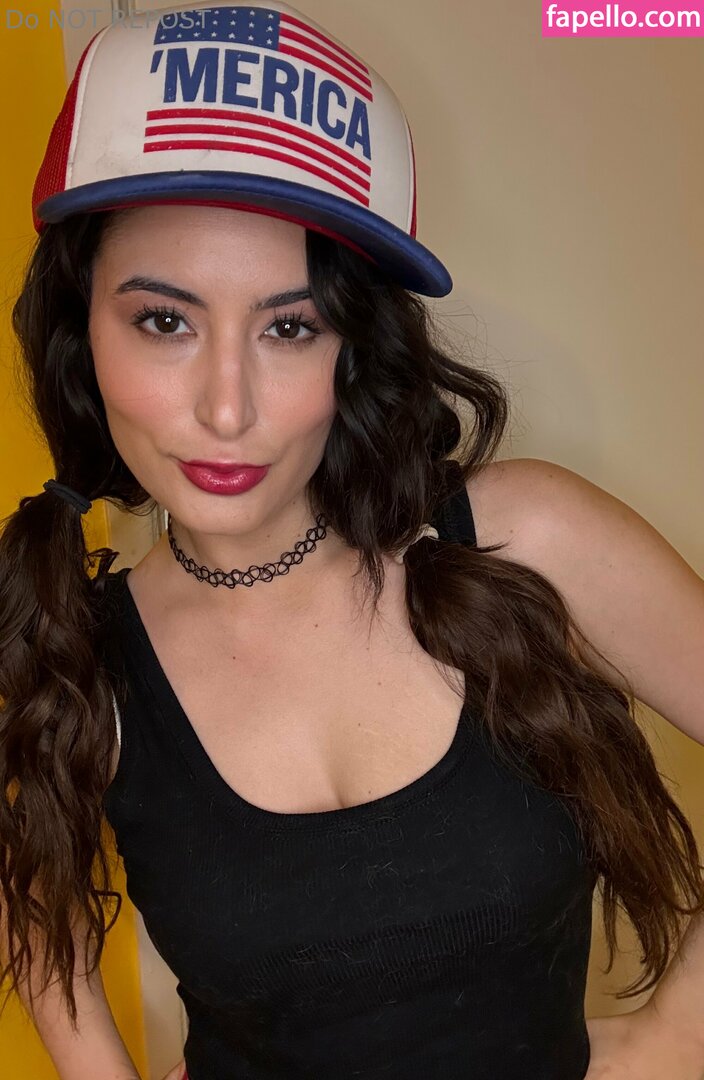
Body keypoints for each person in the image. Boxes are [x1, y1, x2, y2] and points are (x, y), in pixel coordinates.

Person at [1, 2, 703, 1079]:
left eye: (290, 327)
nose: (225, 407)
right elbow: (37, 913)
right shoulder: (73, 650)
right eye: (164, 320)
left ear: (355, 345)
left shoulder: (524, 542)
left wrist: (677, 1032)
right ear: (79, 331)